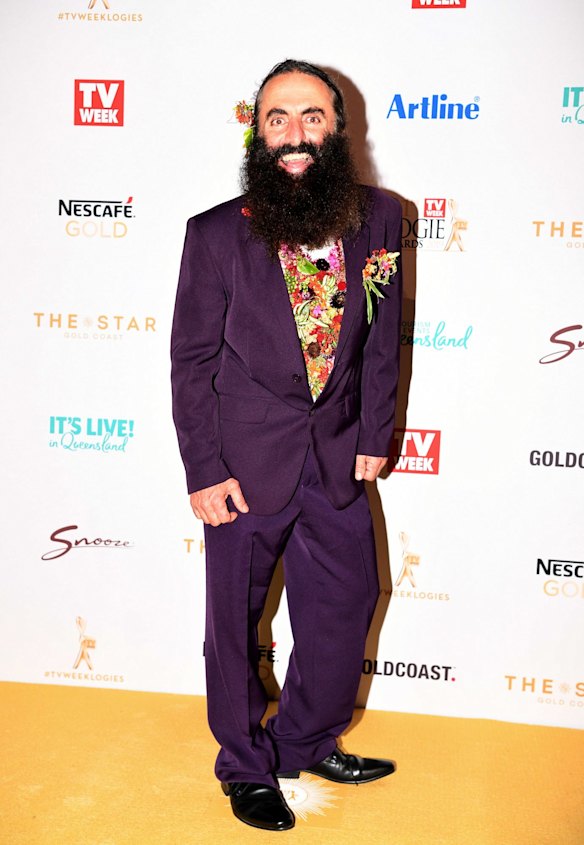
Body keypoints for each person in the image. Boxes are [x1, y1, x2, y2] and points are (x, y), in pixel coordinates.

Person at [171, 59, 402, 832]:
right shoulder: (213, 234)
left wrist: (375, 433)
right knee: (233, 626)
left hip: (336, 459)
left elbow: (383, 340)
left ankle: (301, 741)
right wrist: (204, 469)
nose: (293, 134)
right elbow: (192, 359)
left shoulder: (380, 219)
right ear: (256, 131)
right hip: (241, 466)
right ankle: (244, 765)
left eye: (309, 116)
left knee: (346, 604)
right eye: (276, 119)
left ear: (337, 127)